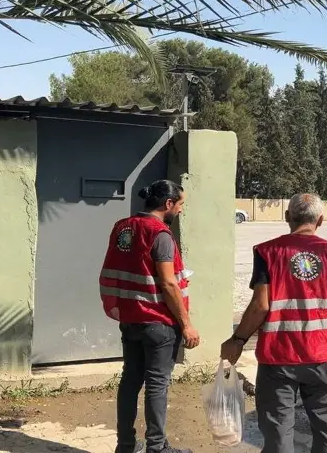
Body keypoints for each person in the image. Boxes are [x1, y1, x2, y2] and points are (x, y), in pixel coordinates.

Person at [219, 193, 327, 453]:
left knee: (278, 433)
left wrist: (238, 340)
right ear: (320, 220)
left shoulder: (267, 252)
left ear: (288, 217)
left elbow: (260, 305)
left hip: (278, 359)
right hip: (323, 359)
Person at [99, 179, 201, 453]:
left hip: (130, 319)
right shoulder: (160, 234)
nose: (180, 210)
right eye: (180, 205)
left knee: (130, 380)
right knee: (157, 384)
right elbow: (168, 284)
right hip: (158, 323)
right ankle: (157, 447)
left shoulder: (122, 227)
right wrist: (187, 324)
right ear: (168, 204)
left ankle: (126, 445)